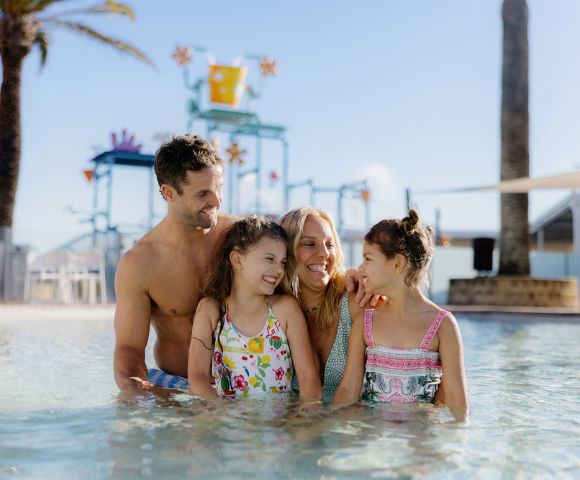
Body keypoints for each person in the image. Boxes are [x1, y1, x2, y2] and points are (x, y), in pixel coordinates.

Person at [113, 135, 236, 393]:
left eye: (219, 188)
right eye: (203, 193)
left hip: (243, 385)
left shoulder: (238, 237)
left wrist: (344, 279)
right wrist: (137, 393)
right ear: (169, 193)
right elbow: (129, 349)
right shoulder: (141, 263)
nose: (216, 201)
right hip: (177, 387)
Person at [333, 209, 469, 411]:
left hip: (419, 438)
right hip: (374, 436)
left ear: (398, 263)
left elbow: (456, 399)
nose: (361, 267)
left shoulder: (442, 325)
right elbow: (348, 391)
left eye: (368, 259)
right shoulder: (365, 323)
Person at [188, 216, 321, 400]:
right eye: (269, 259)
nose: (279, 270)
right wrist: (219, 415)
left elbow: (308, 378)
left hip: (277, 422)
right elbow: (197, 378)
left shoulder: (285, 310)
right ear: (237, 260)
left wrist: (304, 422)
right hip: (225, 419)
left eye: (282, 262)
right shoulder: (211, 310)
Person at [278, 207, 368, 403]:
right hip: (292, 427)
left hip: (348, 428)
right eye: (309, 244)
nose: (324, 253)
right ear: (285, 252)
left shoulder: (355, 300)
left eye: (330, 244)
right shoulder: (272, 312)